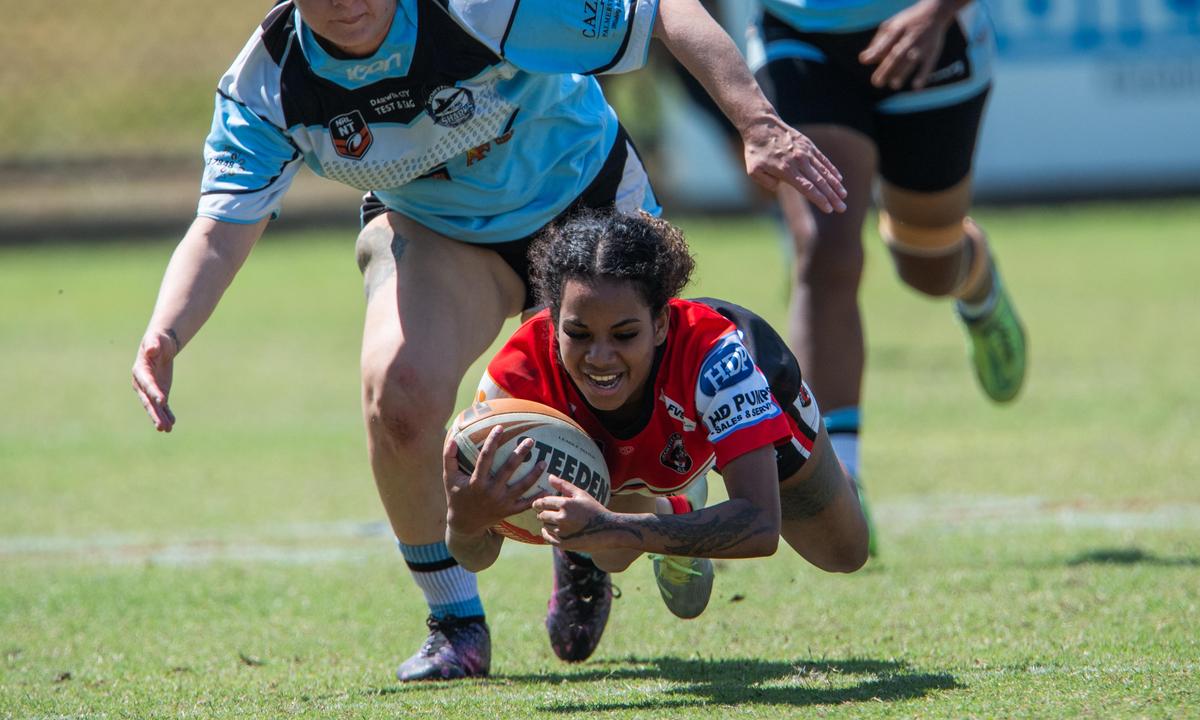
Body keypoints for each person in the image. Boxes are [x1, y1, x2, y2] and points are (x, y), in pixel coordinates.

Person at [129, 0, 849, 683]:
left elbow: (662, 11)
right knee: (399, 397)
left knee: (623, 435)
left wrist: (757, 122)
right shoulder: (267, 83)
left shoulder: (481, 9)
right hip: (438, 230)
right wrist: (165, 333)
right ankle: (455, 622)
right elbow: (221, 231)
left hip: (584, 205)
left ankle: (655, 506)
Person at [443, 208, 870, 660]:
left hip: (749, 404)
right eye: (578, 334)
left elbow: (762, 525)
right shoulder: (517, 380)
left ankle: (681, 506)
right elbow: (474, 554)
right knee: (609, 552)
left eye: (625, 334)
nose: (600, 357)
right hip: (625, 454)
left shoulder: (720, 361)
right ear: (552, 320)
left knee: (844, 552)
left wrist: (613, 526)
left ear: (661, 323)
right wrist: (464, 520)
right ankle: (676, 508)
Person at [750, 0, 1029, 552]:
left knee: (928, 263)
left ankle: (975, 281)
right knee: (824, 248)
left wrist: (938, 12)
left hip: (928, 28)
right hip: (799, 34)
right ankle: (839, 481)